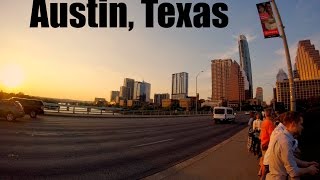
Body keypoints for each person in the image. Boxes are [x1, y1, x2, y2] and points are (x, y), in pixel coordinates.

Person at [266, 111, 319, 179]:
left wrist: (305, 163)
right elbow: (293, 172)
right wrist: (309, 170)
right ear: (293, 124)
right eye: (300, 124)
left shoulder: (282, 136)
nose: (302, 127)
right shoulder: (286, 141)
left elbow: (288, 158)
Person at [259, 108, 276, 179]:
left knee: (263, 159)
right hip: (267, 144)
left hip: (263, 142)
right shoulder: (270, 123)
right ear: (271, 114)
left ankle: (260, 172)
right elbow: (272, 136)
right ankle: (262, 177)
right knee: (266, 164)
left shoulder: (264, 122)